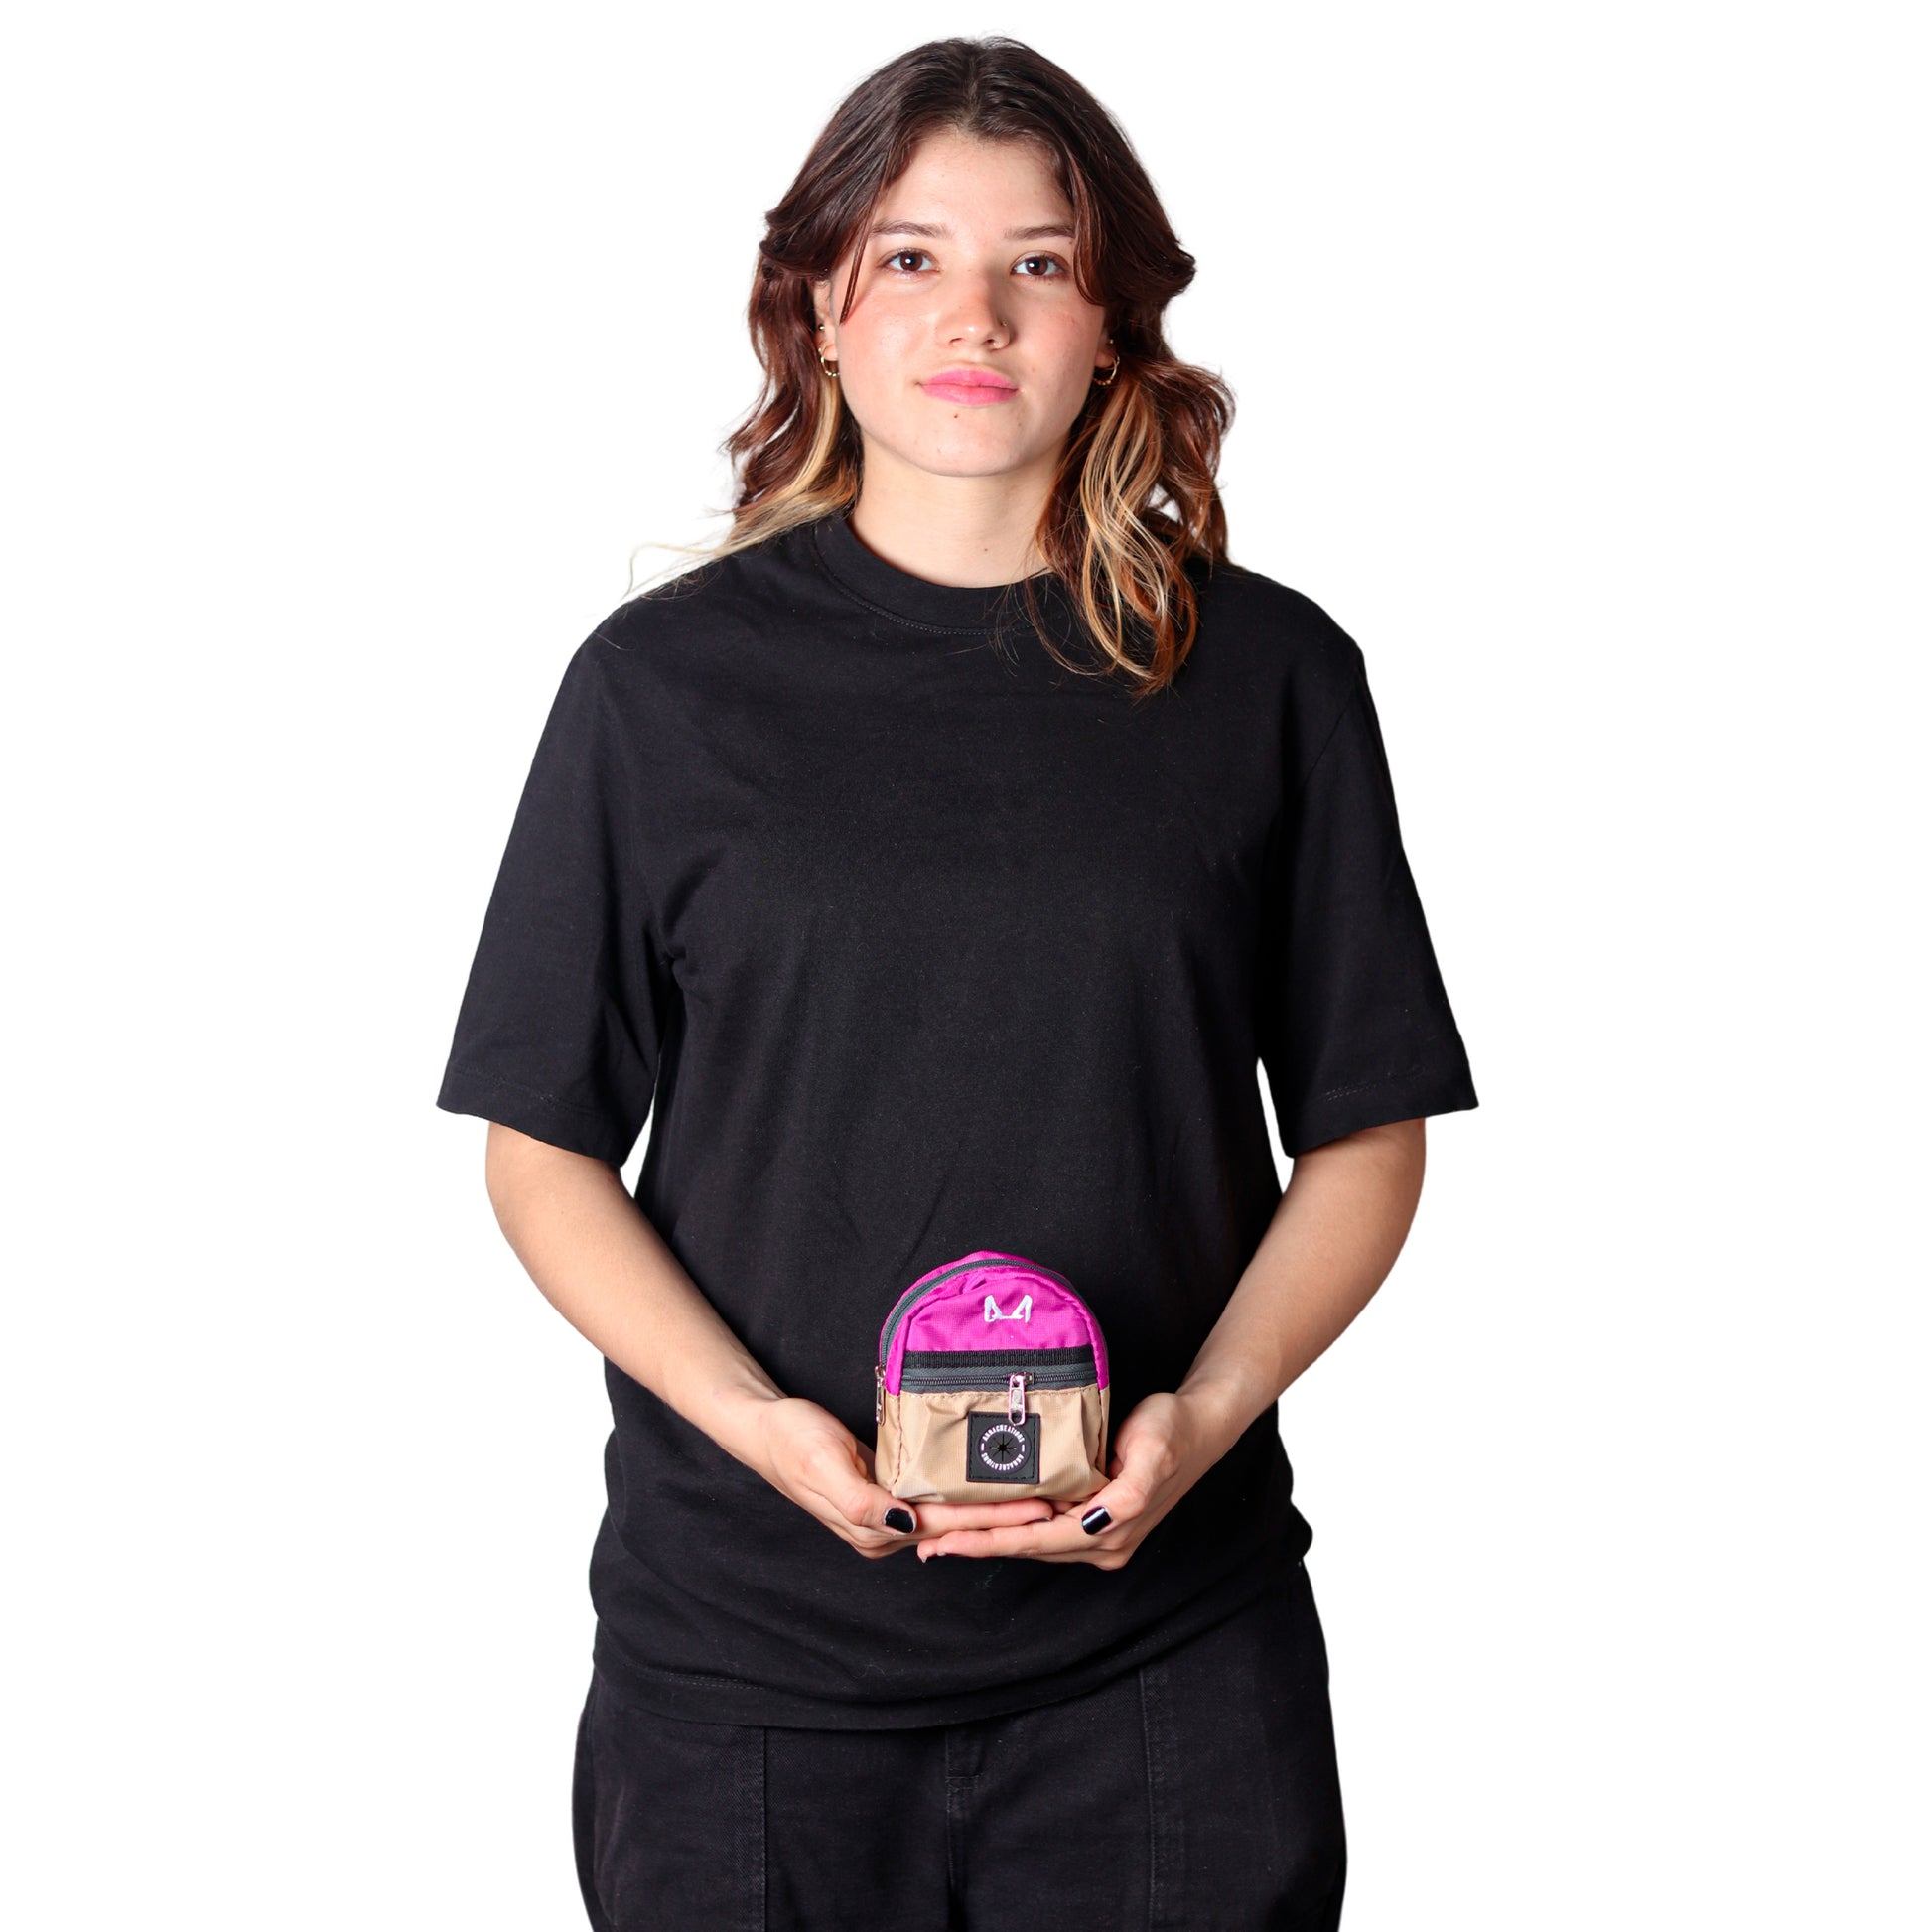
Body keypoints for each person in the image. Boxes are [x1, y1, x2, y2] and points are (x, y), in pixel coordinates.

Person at [436, 34, 1477, 1932]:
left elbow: (1365, 1132)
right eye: (908, 257)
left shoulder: (1269, 680)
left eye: (1038, 263)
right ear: (818, 310)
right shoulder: (658, 691)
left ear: (1112, 326)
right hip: (745, 1672)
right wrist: (757, 1428)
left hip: (1166, 1673)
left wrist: (1204, 1414)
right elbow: (541, 1151)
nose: (972, 314)